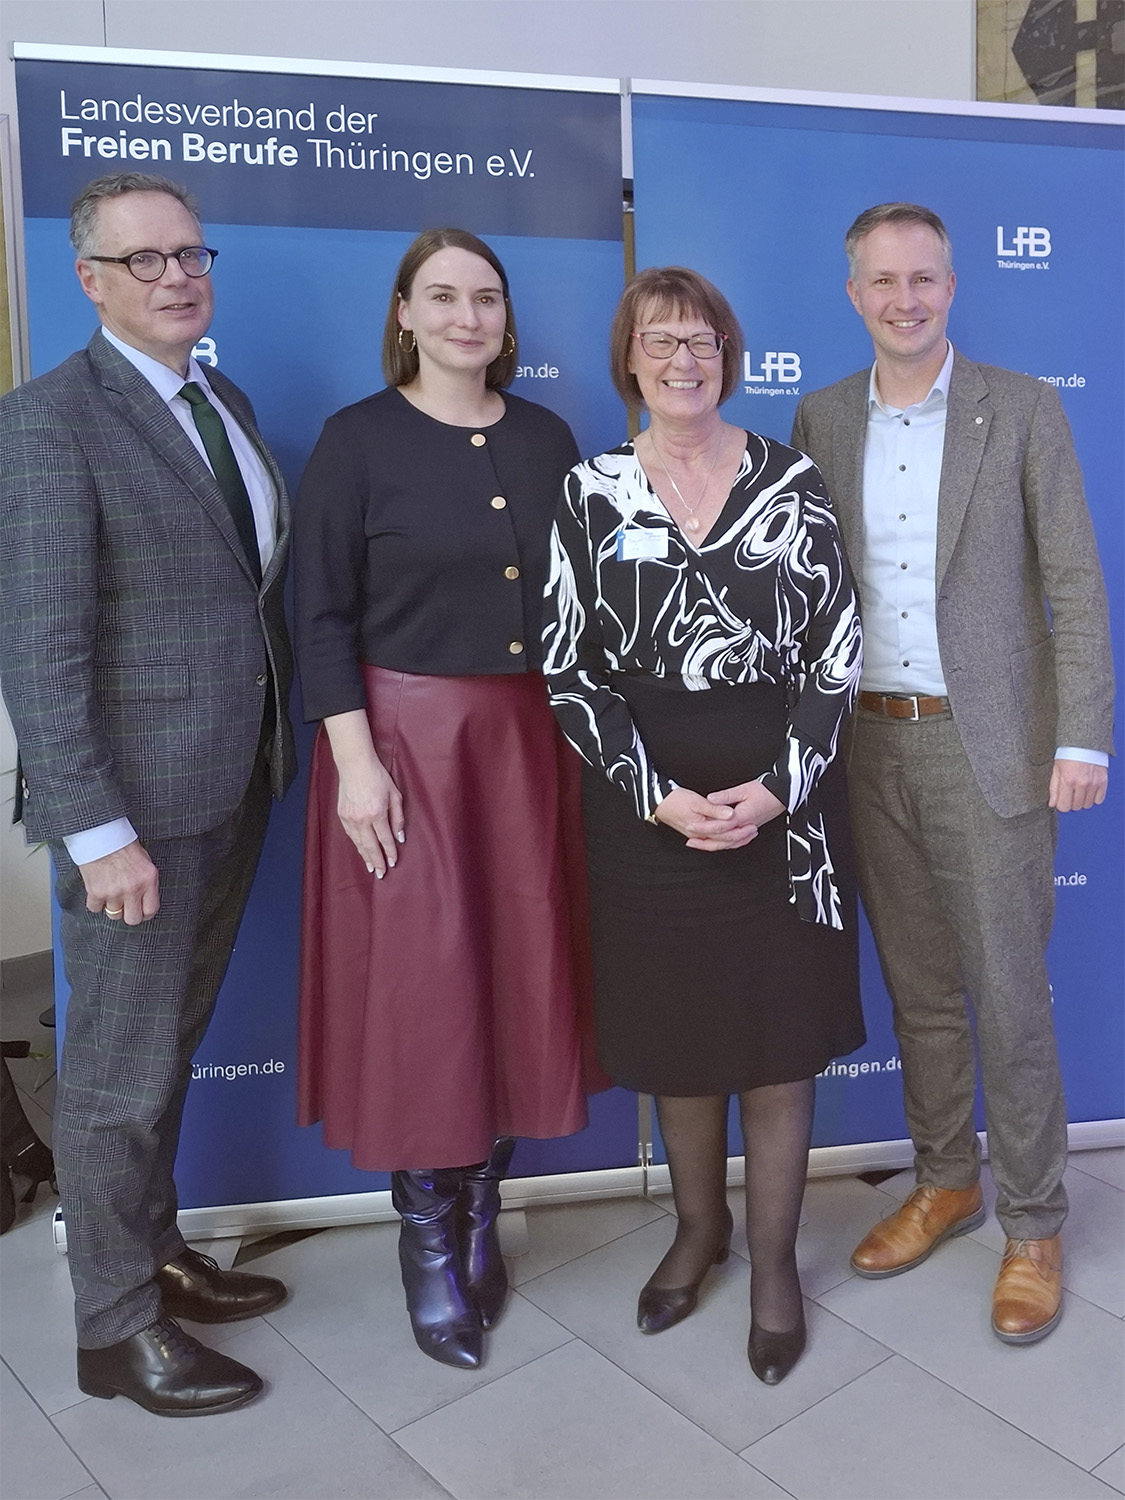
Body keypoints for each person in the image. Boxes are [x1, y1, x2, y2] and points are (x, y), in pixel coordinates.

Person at [791, 202, 1114, 1344]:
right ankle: (945, 1180)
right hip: (867, 742)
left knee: (1011, 997)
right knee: (920, 990)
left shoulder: (1023, 408)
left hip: (992, 746)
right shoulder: (819, 416)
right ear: (854, 295)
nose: (905, 298)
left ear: (951, 286)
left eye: (923, 277)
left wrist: (1081, 737)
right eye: (883, 281)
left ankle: (1032, 1221)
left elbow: (1074, 581)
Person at [0, 172, 295, 1414]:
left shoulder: (214, 396)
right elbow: (41, 645)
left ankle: (157, 1253)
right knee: (117, 1074)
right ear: (90, 280)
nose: (177, 276)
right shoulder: (49, 421)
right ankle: (114, 1329)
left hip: (228, 786)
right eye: (144, 260)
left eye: (190, 254)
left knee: (166, 1049)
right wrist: (95, 827)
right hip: (132, 816)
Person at [542, 266, 865, 1384]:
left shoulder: (795, 480)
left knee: (778, 1049)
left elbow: (835, 653)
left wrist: (780, 785)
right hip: (647, 817)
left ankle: (772, 1262)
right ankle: (698, 1230)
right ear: (628, 357)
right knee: (679, 1045)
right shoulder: (589, 490)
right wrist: (655, 793)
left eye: (704, 342)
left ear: (730, 357)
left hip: (787, 810)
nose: (684, 361)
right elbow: (570, 669)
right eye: (660, 341)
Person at [294, 228, 600, 1372]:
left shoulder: (548, 437)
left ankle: (482, 1212)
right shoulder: (356, 442)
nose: (467, 316)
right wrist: (356, 760)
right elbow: (317, 616)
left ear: (506, 320)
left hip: (528, 745)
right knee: (428, 992)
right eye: (443, 297)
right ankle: (428, 1237)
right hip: (403, 748)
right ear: (405, 314)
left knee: (517, 974)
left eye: (485, 298)